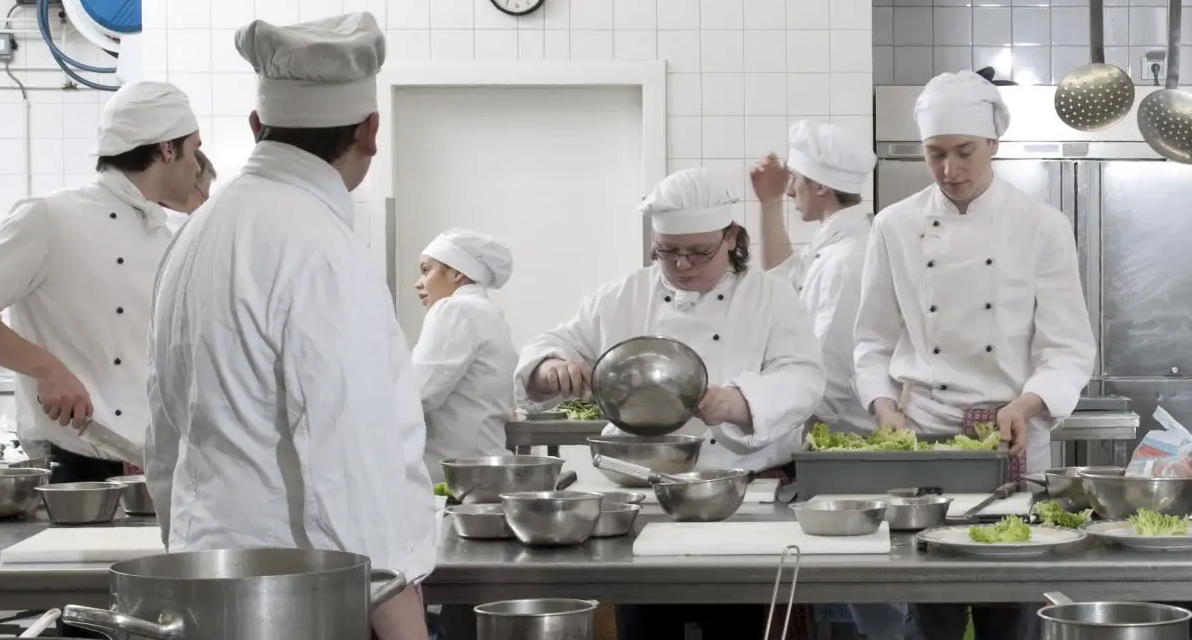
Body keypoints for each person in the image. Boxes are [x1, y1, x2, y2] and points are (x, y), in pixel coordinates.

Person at [144, 12, 435, 640]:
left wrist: (188, 556)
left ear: (258, 126)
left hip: (204, 585)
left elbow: (164, 432)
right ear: (371, 131)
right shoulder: (321, 247)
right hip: (304, 601)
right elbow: (348, 456)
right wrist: (396, 608)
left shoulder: (198, 231)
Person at [515, 166, 825, 640]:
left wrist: (739, 402)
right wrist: (549, 366)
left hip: (742, 501)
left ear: (731, 238)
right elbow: (548, 343)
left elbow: (803, 377)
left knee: (739, 626)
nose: (683, 264)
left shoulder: (770, 296)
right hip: (644, 498)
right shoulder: (622, 295)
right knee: (645, 624)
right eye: (668, 251)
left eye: (699, 252)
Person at [853, 70, 1096, 640]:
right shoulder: (894, 226)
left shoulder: (1042, 226)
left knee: (1009, 608)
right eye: (935, 154)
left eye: (964, 151)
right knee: (930, 604)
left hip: (1013, 436)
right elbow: (871, 342)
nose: (950, 169)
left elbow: (1068, 346)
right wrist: (883, 407)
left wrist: (1029, 403)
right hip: (926, 440)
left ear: (993, 144)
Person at [753, 121, 912, 640]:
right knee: (860, 592)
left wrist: (764, 424)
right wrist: (769, 203)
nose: (791, 187)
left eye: (796, 179)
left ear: (821, 185)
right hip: (835, 442)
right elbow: (780, 278)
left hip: (849, 446)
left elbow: (825, 372)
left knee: (869, 596)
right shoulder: (833, 244)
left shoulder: (850, 258)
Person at [0, 81, 200, 484]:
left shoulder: (176, 233)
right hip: (78, 471)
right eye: (194, 149)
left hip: (163, 468)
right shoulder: (49, 219)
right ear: (166, 149)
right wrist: (46, 367)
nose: (197, 166)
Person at [412, 229, 517, 482]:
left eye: (426, 270)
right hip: (485, 473)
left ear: (457, 272)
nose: (418, 282)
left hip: (453, 481)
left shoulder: (453, 310)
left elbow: (415, 396)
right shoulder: (489, 313)